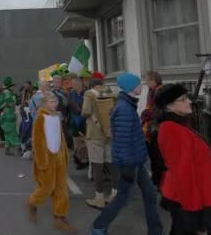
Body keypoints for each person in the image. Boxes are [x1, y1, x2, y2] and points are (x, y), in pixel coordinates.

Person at [90, 72, 163, 235]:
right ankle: (99, 226)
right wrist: (128, 168)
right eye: (138, 84)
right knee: (123, 197)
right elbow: (122, 141)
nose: (142, 86)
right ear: (131, 87)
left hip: (135, 160)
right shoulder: (124, 109)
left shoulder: (128, 105)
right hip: (130, 162)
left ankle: (155, 231)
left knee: (149, 195)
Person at [155, 84, 211, 235]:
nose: (189, 101)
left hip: (203, 196)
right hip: (195, 202)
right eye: (183, 99)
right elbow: (183, 174)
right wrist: (197, 220)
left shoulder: (180, 124)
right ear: (169, 106)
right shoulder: (172, 130)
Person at [28, 93, 77, 233]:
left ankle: (59, 217)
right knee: (47, 188)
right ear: (44, 104)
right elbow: (37, 140)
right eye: (51, 101)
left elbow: (61, 137)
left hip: (59, 157)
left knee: (62, 188)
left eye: (55, 101)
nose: (54, 103)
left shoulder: (56, 117)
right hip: (47, 158)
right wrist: (42, 161)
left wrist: (65, 155)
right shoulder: (40, 118)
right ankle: (32, 203)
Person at [81, 72, 118, 209]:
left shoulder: (89, 94)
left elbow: (85, 111)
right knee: (111, 163)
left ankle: (99, 197)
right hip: (109, 132)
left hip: (95, 133)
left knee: (97, 165)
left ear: (91, 85)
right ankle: (115, 192)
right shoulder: (111, 92)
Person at [141, 71, 164, 186]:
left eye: (147, 80)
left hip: (157, 128)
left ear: (154, 80)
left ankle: (160, 181)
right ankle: (156, 179)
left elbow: (157, 110)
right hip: (151, 127)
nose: (146, 83)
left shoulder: (160, 91)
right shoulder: (152, 91)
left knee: (158, 156)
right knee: (153, 155)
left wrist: (145, 114)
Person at [68, 78, 88, 170]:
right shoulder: (71, 94)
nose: (73, 85)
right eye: (73, 84)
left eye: (75, 84)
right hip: (75, 121)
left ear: (80, 84)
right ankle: (78, 161)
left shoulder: (86, 93)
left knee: (85, 142)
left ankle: (86, 160)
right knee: (76, 142)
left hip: (85, 121)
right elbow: (69, 105)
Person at [0, 77, 21, 155]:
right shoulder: (8, 93)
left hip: (5, 115)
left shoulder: (4, 92)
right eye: (12, 85)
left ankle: (7, 150)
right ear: (9, 86)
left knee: (8, 134)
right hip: (8, 115)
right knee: (13, 133)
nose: (13, 87)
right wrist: (8, 105)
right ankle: (19, 149)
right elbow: (9, 103)